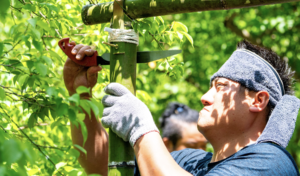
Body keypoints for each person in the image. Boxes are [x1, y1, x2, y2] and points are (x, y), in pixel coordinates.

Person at [63, 40, 300, 175]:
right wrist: (80, 95)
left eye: (220, 86)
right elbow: (101, 164)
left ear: (257, 101)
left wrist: (141, 128)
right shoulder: (189, 162)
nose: (205, 97)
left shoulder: (270, 163)